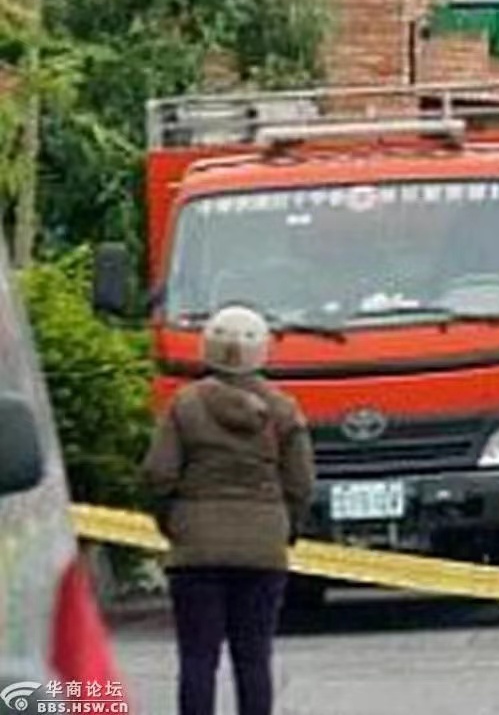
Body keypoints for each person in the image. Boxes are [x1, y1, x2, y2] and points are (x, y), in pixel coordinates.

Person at [143, 304, 312, 715]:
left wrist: (172, 523)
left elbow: (157, 475)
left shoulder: (184, 406)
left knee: (198, 659)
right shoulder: (284, 411)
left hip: (195, 551)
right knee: (253, 658)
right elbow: (302, 484)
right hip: (263, 549)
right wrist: (286, 529)